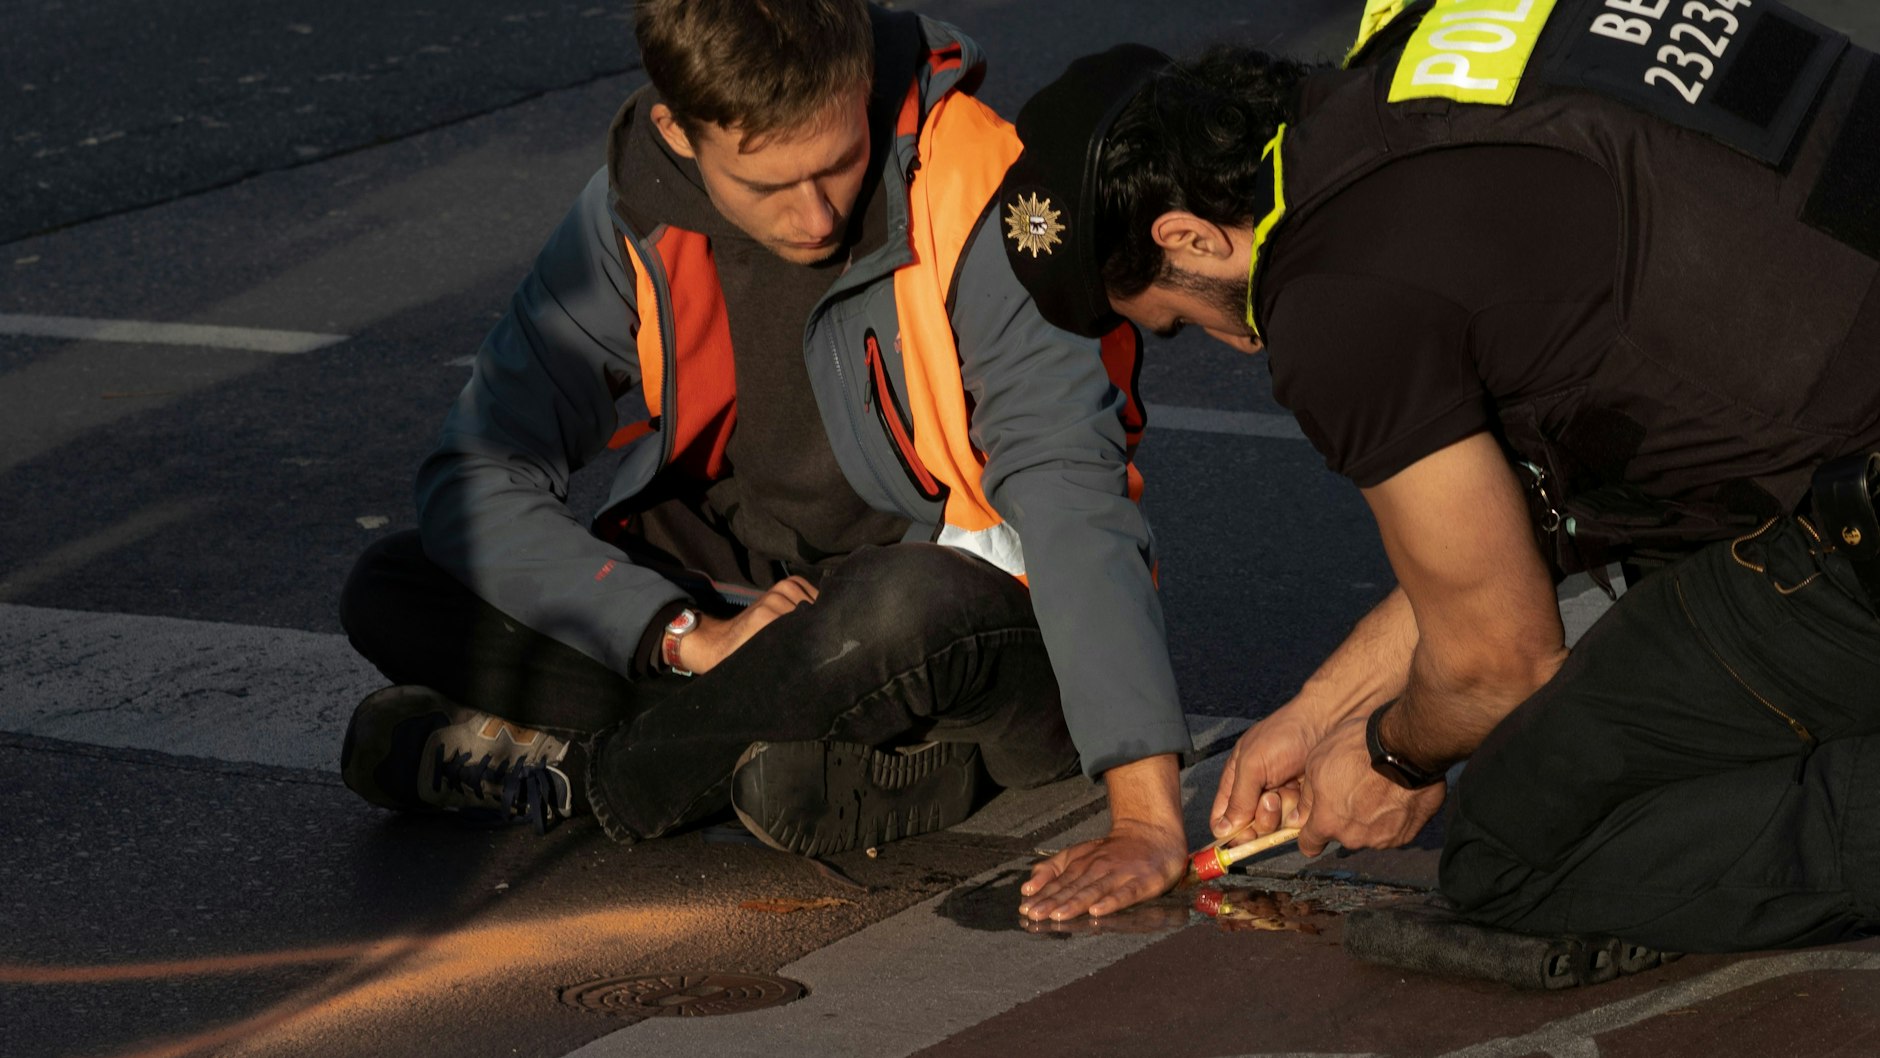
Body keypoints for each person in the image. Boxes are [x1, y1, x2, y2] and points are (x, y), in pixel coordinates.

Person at [1004, 0, 1880, 951]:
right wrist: (1319, 711)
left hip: (1856, 518)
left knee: (1513, 841)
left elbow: (1499, 664)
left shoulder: (1333, 297)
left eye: (1176, 318)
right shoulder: (1411, 64)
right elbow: (1505, 529)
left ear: (1192, 238)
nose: (1228, 341)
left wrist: (1389, 759)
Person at [337, 0, 1194, 916]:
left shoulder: (980, 182)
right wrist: (681, 636)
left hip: (964, 617)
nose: (815, 213)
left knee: (901, 605)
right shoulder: (631, 210)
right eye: (766, 185)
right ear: (678, 132)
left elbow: (1067, 483)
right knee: (398, 582)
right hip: (740, 606)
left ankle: (592, 778)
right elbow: (477, 473)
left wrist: (1145, 820)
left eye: (838, 162)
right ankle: (806, 753)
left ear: (861, 83)